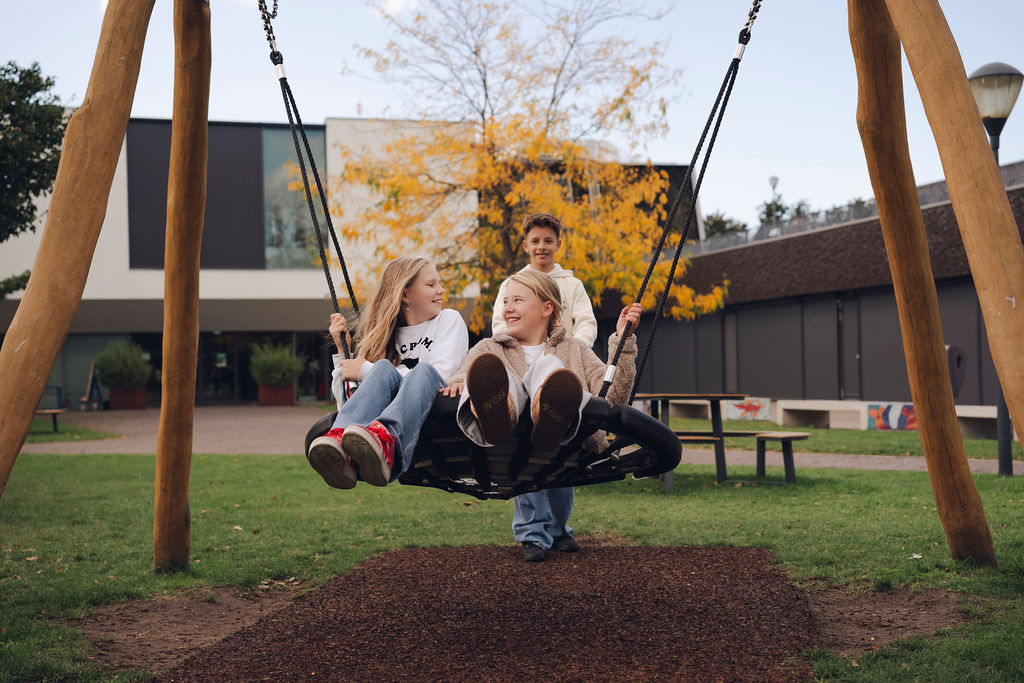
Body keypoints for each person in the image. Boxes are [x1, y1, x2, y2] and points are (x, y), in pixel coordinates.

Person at [441, 270, 641, 562]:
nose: (507, 308)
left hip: (565, 438)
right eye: (505, 301)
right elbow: (462, 377)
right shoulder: (489, 349)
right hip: (507, 436)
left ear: (547, 308)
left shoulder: (575, 349)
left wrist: (623, 343)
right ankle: (504, 412)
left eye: (517, 300)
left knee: (549, 368)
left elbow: (612, 395)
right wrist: (458, 383)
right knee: (498, 374)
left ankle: (551, 408)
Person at [307, 256, 469, 490]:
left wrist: (365, 370)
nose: (441, 290)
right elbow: (350, 405)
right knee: (383, 368)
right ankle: (340, 444)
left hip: (439, 422)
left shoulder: (448, 319)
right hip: (396, 425)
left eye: (438, 283)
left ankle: (386, 441)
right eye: (431, 284)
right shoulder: (385, 339)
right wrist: (344, 353)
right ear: (405, 295)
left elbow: (442, 374)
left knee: (422, 371)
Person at [490, 212, 597, 347]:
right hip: (523, 357)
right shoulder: (510, 285)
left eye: (548, 241)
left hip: (565, 357)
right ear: (526, 246)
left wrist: (575, 350)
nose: (541, 246)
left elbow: (586, 324)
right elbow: (500, 325)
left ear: (558, 244)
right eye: (535, 241)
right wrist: (515, 350)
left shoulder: (573, 284)